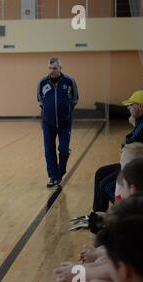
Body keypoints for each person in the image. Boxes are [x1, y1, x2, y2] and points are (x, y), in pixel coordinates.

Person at [87, 90, 143, 232]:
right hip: (133, 163)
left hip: (139, 168)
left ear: (140, 106)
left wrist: (132, 128)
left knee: (106, 186)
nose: (128, 108)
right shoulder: (142, 120)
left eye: (131, 105)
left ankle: (125, 214)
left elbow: (129, 143)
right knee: (100, 172)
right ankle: (98, 215)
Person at [37, 57, 79, 187]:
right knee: (49, 150)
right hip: (47, 123)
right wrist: (48, 113)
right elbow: (40, 100)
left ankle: (60, 173)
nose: (52, 71)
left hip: (64, 122)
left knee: (64, 150)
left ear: (60, 68)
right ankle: (53, 177)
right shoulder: (42, 82)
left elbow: (75, 99)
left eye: (54, 68)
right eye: (50, 68)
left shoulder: (69, 81)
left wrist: (66, 111)